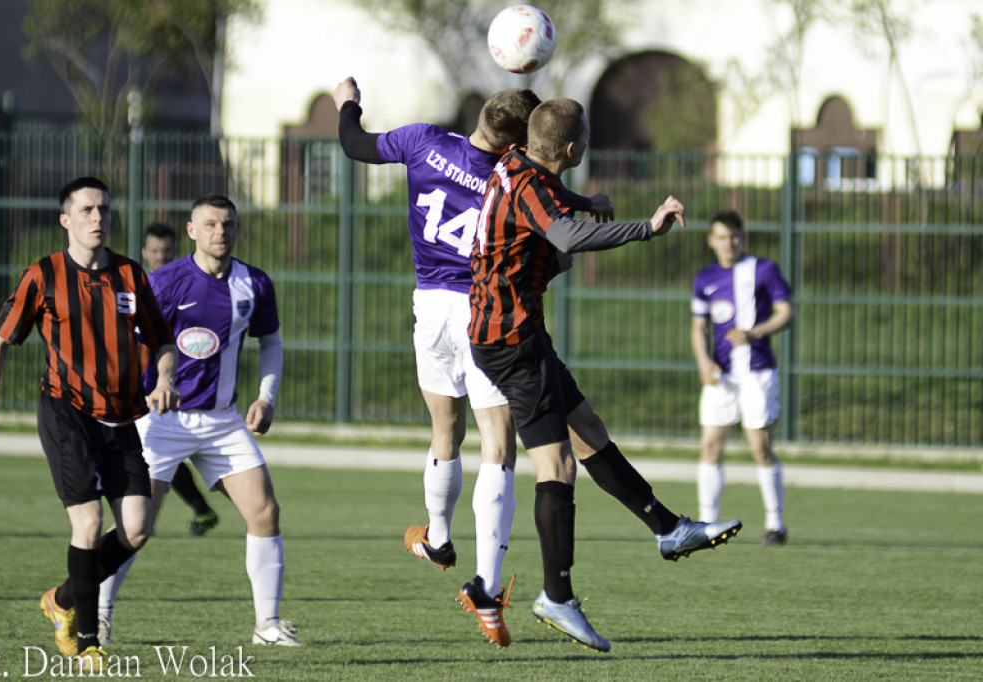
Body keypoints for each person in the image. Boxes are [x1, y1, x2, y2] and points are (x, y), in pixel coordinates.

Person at [333, 76, 611, 647]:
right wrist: (586, 207)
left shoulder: (422, 141)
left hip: (429, 307)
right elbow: (552, 231)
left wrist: (348, 104)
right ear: (519, 144)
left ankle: (437, 537)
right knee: (498, 447)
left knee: (445, 432)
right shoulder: (510, 178)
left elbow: (354, 145)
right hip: (486, 313)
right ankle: (486, 584)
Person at [468, 98, 743, 652]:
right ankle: (557, 597)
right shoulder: (532, 186)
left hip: (512, 333)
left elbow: (548, 199)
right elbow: (567, 237)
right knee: (558, 467)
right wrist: (646, 228)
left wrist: (585, 201)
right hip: (512, 342)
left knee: (588, 431)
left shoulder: (517, 161)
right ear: (573, 149)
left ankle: (669, 529)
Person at [0, 176, 180, 673]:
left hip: (120, 416)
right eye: (86, 210)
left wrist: (166, 377)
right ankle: (88, 644)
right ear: (66, 220)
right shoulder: (42, 276)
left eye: (103, 209)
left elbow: (164, 341)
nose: (97, 218)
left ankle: (60, 600)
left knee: (137, 528)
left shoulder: (130, 274)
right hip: (66, 412)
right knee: (88, 523)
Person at [98, 194, 301, 646]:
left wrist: (265, 398)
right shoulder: (163, 282)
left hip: (223, 422)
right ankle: (96, 616)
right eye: (210, 224)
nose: (220, 232)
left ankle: (267, 626)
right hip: (161, 420)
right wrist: (150, 386)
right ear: (192, 230)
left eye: (228, 224)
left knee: (265, 511)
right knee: (135, 526)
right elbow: (130, 344)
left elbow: (271, 343)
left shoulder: (254, 283)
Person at [691, 209, 794, 547]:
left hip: (757, 373)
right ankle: (706, 525)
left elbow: (787, 314)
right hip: (721, 377)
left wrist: (755, 333)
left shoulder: (764, 270)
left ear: (742, 238)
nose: (729, 243)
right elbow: (699, 327)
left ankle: (776, 525)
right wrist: (704, 361)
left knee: (760, 448)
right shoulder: (704, 279)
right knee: (710, 446)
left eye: (734, 237)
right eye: (722, 237)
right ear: (712, 241)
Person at [141, 222, 220, 538]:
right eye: (155, 251)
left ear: (176, 251)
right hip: (145, 386)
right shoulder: (140, 290)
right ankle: (198, 510)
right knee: (159, 456)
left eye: (166, 251)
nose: (161, 257)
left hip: (178, 389)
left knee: (159, 455)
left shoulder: (190, 287)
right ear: (145, 253)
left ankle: (143, 523)